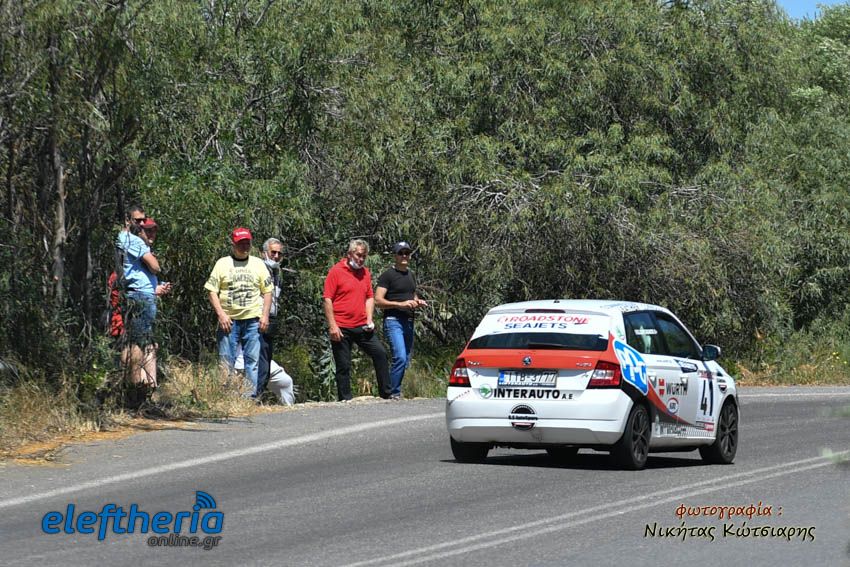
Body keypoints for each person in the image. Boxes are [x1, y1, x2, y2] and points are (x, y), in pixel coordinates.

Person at [205, 227, 273, 398]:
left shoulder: (258, 264)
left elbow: (267, 291)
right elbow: (211, 290)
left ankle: (249, 398)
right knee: (226, 359)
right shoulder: (222, 264)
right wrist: (221, 314)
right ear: (233, 244)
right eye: (240, 243)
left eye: (247, 243)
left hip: (252, 320)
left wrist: (264, 315)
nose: (244, 247)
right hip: (230, 321)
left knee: (252, 360)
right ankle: (225, 397)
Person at [322, 239, 391, 401]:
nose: (361, 259)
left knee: (380, 353)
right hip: (341, 326)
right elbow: (327, 299)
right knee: (343, 365)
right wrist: (333, 326)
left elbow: (369, 297)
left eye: (364, 256)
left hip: (361, 325)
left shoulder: (365, 272)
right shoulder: (336, 271)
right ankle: (345, 399)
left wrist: (369, 319)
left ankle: (387, 394)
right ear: (349, 254)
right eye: (358, 255)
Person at [375, 241, 427, 400]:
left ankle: (393, 392)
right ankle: (392, 392)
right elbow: (378, 300)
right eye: (401, 253)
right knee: (400, 357)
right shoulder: (388, 275)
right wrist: (400, 304)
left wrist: (417, 301)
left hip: (408, 321)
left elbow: (412, 295)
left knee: (406, 359)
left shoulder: (410, 275)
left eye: (407, 253)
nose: (404, 256)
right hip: (393, 321)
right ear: (395, 256)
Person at [115, 218, 161, 390]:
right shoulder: (131, 240)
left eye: (153, 230)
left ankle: (147, 385)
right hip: (140, 296)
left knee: (147, 343)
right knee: (137, 343)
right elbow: (155, 267)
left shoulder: (133, 242)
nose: (150, 233)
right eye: (139, 222)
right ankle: (135, 386)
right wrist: (153, 263)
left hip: (145, 294)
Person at [258, 237, 284, 397]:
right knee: (259, 360)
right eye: (273, 252)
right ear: (264, 253)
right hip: (259, 319)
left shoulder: (276, 273)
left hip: (271, 319)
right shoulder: (258, 270)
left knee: (266, 359)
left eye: (279, 254)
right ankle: (254, 395)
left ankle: (259, 394)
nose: (276, 256)